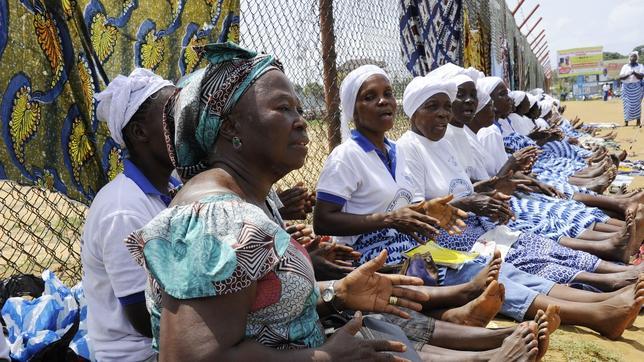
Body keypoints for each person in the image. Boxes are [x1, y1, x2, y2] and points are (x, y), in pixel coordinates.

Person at [124, 42, 479, 361]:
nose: (301, 122)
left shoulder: (254, 199)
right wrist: (324, 357)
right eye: (283, 108)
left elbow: (263, 306)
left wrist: (336, 294)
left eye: (298, 108)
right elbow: (192, 356)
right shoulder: (215, 218)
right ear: (230, 127)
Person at [395, 71, 644, 339]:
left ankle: (615, 276)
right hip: (452, 238)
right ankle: (604, 295)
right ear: (412, 112)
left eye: (445, 106)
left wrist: (495, 189)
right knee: (521, 261)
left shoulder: (442, 142)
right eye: (433, 107)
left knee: (537, 243)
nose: (444, 114)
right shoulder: (409, 148)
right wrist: (478, 197)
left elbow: (470, 187)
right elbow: (424, 214)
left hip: (477, 225)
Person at [80, 69, 178, 362]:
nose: (186, 124)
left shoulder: (173, 186)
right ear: (139, 133)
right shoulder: (122, 210)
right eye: (173, 116)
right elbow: (147, 320)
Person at [619, 51, 644, 127]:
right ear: (629, 58)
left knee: (637, 105)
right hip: (626, 88)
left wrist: (634, 73)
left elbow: (641, 76)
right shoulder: (625, 66)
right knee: (626, 105)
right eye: (632, 56)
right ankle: (626, 122)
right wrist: (629, 74)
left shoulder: (640, 66)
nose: (633, 58)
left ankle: (638, 121)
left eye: (635, 56)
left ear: (637, 58)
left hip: (637, 87)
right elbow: (621, 77)